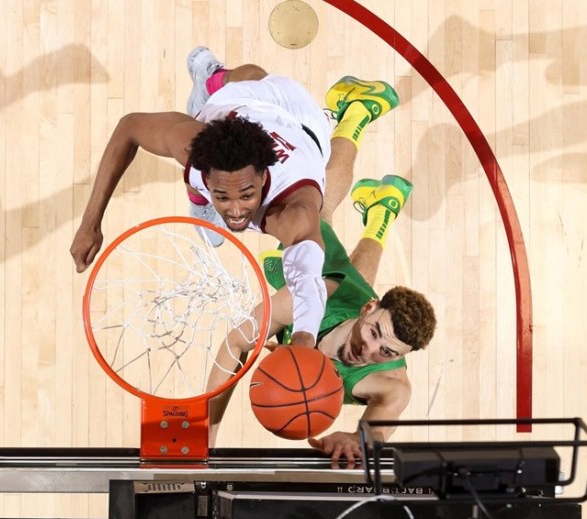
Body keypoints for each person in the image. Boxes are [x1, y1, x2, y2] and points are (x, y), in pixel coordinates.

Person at [69, 46, 400, 350]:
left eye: (246, 195)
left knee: (322, 196)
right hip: (240, 107)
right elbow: (129, 128)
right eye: (222, 196)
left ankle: (353, 111)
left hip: (303, 124)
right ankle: (212, 80)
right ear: (204, 171)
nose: (237, 210)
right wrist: (90, 222)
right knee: (249, 79)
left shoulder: (293, 209)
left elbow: (307, 281)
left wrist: (303, 340)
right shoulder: (190, 144)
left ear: (262, 176)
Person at [206, 173, 437, 466]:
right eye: (374, 333)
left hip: (349, 301)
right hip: (326, 274)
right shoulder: (307, 296)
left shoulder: (391, 387)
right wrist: (206, 430)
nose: (368, 350)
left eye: (387, 352)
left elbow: (373, 437)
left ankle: (382, 211)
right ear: (368, 309)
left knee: (360, 279)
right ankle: (351, 140)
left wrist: (354, 440)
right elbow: (237, 342)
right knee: (318, 209)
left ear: (401, 356)